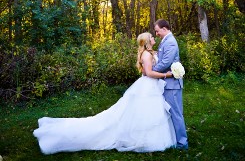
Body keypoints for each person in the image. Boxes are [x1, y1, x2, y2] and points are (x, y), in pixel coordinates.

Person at [33, 32, 176, 154]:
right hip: (148, 87)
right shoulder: (146, 55)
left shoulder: (149, 53)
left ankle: (146, 137)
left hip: (149, 86)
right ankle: (143, 139)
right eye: (151, 37)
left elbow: (145, 70)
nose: (153, 37)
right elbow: (149, 73)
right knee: (144, 113)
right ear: (147, 41)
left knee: (145, 113)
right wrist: (167, 75)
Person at [152, 19, 188, 150]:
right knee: (171, 113)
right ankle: (174, 139)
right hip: (167, 83)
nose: (156, 34)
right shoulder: (165, 41)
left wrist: (150, 71)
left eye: (157, 31)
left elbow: (166, 62)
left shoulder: (171, 42)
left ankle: (182, 143)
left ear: (164, 29)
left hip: (172, 84)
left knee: (176, 113)